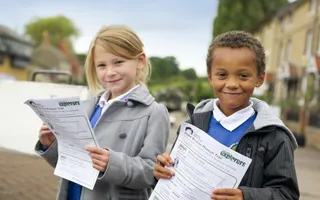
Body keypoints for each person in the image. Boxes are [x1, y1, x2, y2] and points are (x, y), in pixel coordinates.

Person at [153, 31, 299, 200]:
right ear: (210, 77)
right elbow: (174, 180)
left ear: (259, 79)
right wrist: (160, 174)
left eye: (243, 76)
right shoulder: (192, 126)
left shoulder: (275, 136)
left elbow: (286, 194)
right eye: (222, 75)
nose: (231, 84)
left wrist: (246, 196)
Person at [35, 25, 170, 200]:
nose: (110, 72)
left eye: (118, 62)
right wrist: (51, 145)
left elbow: (151, 173)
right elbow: (73, 164)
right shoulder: (85, 107)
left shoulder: (155, 112)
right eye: (101, 65)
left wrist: (111, 164)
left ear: (140, 61)